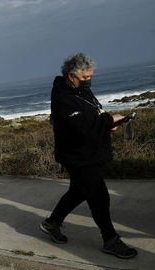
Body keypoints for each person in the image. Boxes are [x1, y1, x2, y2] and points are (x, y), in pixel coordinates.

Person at [40, 53, 137, 259]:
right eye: (85, 77)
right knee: (99, 196)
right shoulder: (62, 97)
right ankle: (110, 240)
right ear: (71, 76)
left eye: (91, 76)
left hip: (87, 152)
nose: (89, 80)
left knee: (78, 191)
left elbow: (92, 113)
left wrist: (107, 122)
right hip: (76, 155)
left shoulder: (79, 90)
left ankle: (52, 223)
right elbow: (80, 127)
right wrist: (109, 121)